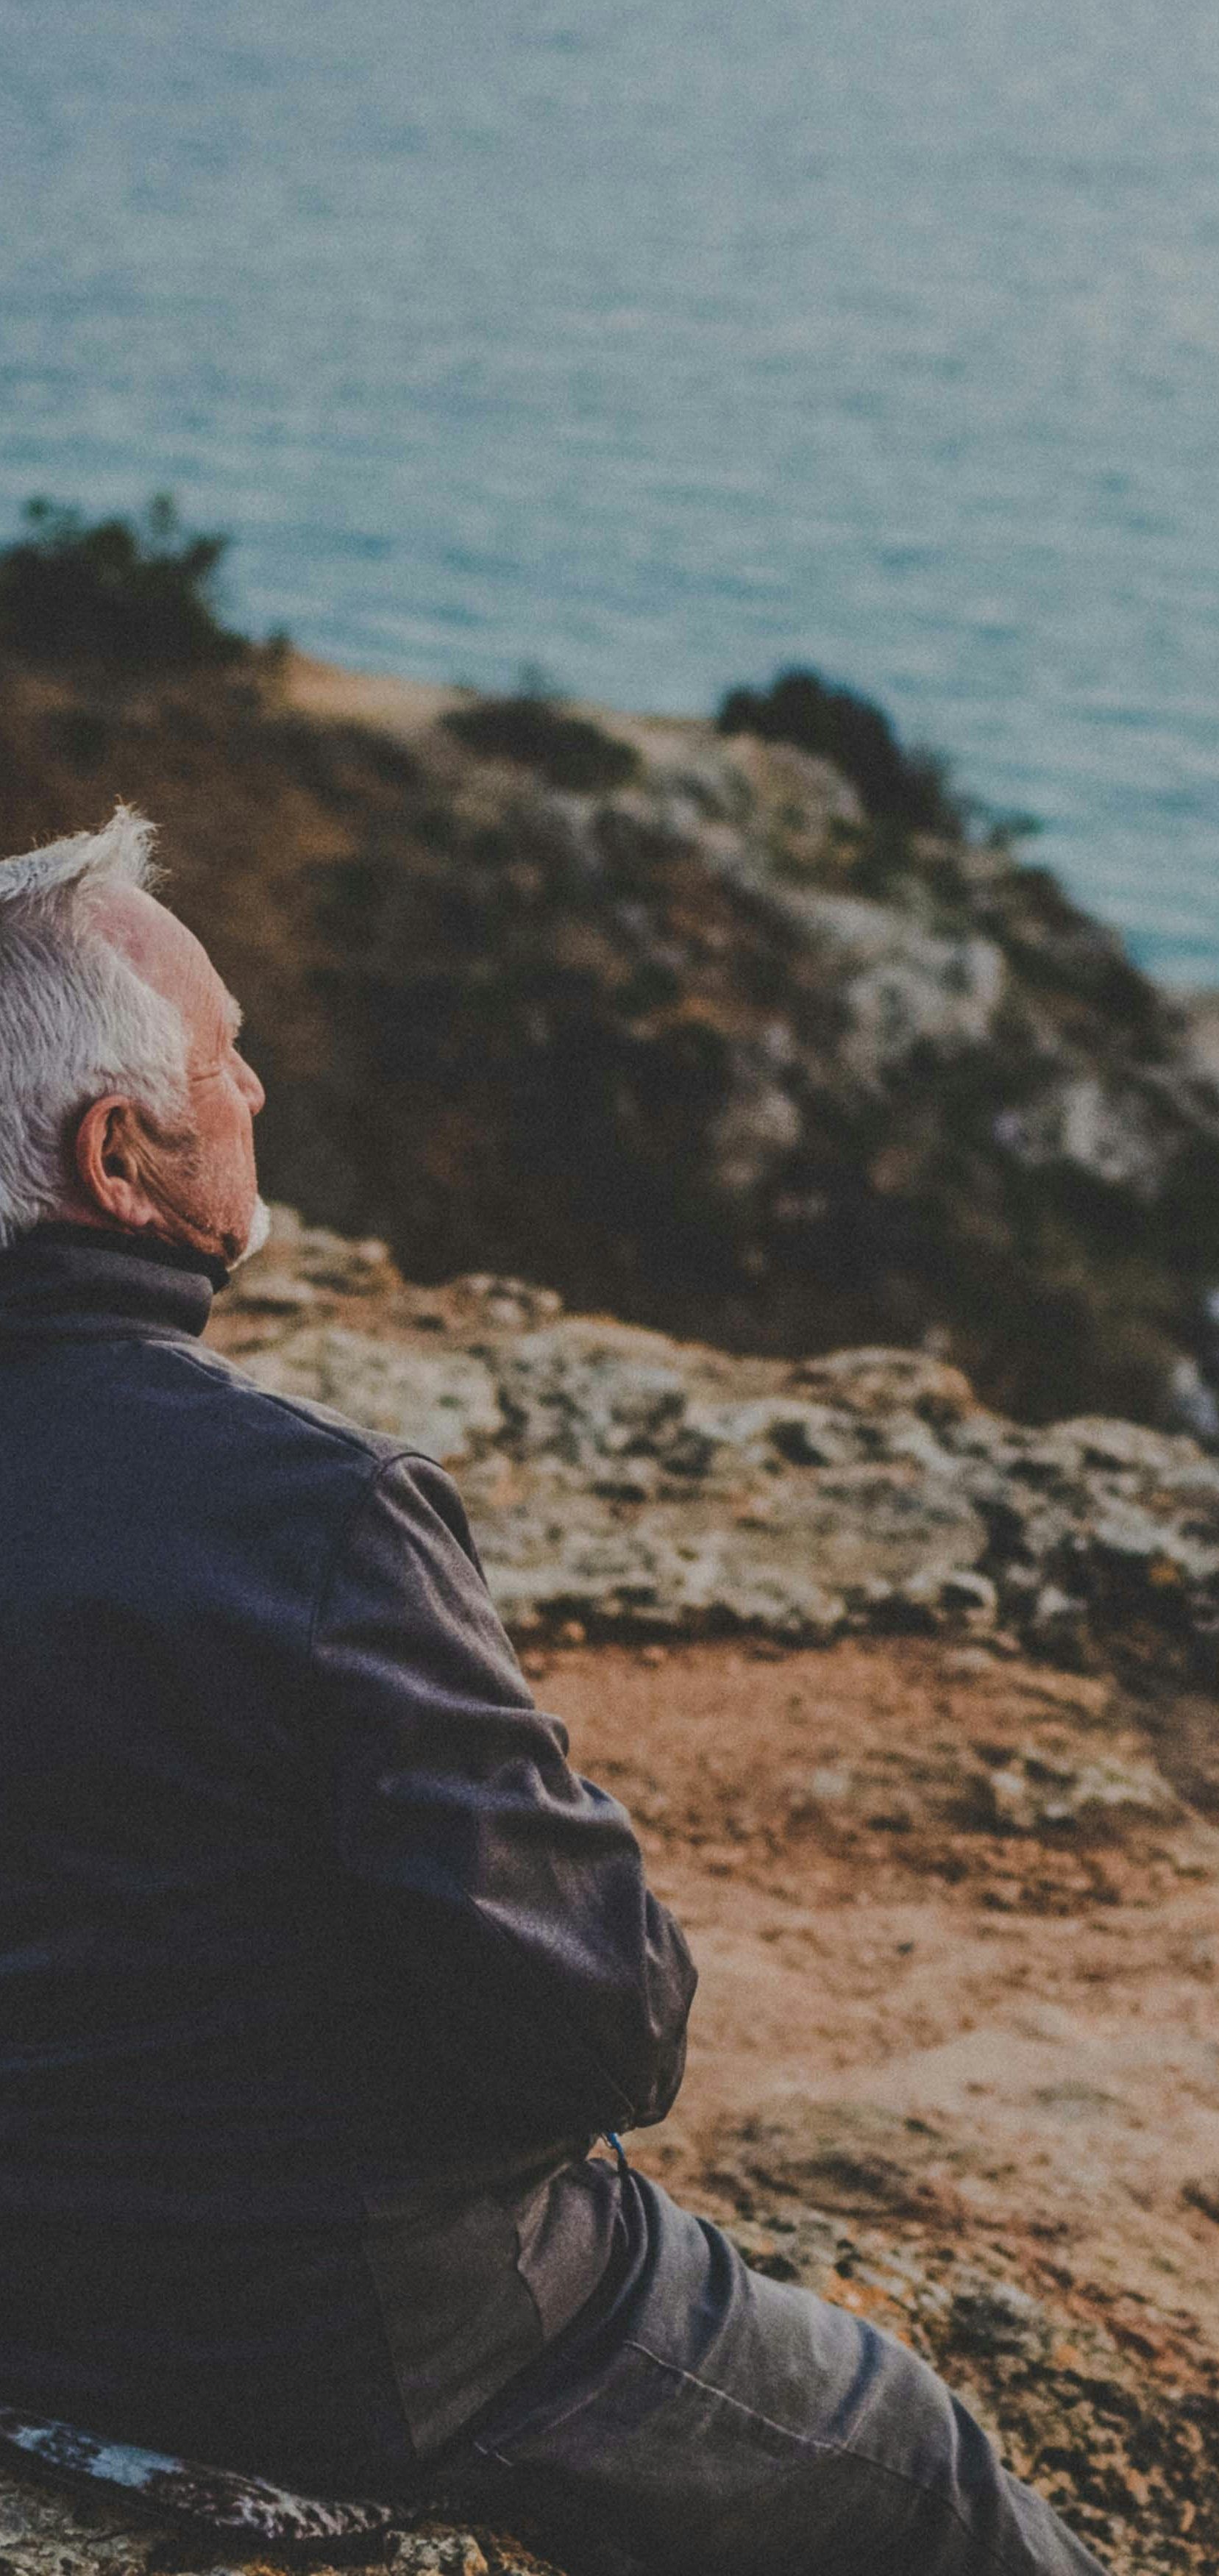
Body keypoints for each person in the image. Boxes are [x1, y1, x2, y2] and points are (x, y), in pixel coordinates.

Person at [0, 808, 1106, 2576]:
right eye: (224, 1058)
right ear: (120, 1153)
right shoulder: (307, 1509)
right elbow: (603, 2029)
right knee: (917, 2459)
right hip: (345, 2339)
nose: (263, 1087)